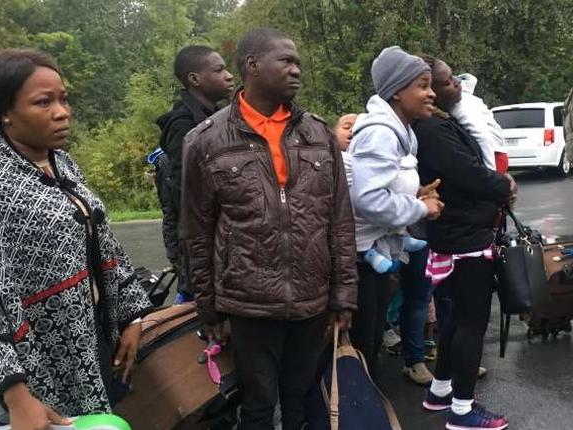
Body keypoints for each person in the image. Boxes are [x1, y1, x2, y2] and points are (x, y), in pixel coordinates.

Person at [0, 49, 153, 430]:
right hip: (34, 362)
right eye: (44, 102)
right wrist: (15, 394)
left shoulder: (63, 164)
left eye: (63, 98)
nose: (62, 111)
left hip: (91, 338)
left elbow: (102, 242)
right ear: (4, 112)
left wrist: (131, 316)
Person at [180, 28, 357, 430]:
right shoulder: (205, 141)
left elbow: (340, 220)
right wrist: (208, 308)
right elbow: (197, 231)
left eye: (298, 63)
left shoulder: (317, 133)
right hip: (248, 303)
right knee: (258, 407)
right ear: (252, 66)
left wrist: (343, 294)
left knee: (301, 402)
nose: (296, 71)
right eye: (287, 61)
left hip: (312, 300)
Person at [414, 56, 515, 430]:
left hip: (455, 235)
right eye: (437, 82)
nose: (454, 84)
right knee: (472, 323)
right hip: (464, 238)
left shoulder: (437, 125)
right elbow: (470, 175)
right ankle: (462, 410)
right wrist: (503, 185)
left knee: (455, 320)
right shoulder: (434, 131)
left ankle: (440, 391)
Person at [347, 45, 443, 382]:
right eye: (422, 85)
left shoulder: (400, 132)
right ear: (396, 92)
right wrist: (419, 207)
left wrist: (414, 193)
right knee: (363, 345)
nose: (431, 93)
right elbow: (368, 199)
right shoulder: (380, 134)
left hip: (380, 250)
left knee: (369, 343)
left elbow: (381, 185)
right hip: (361, 261)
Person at [155, 45, 234, 301]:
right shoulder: (183, 125)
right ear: (194, 79)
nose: (229, 75)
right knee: (196, 309)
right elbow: (188, 189)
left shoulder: (219, 117)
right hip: (203, 244)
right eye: (219, 69)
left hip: (223, 238)